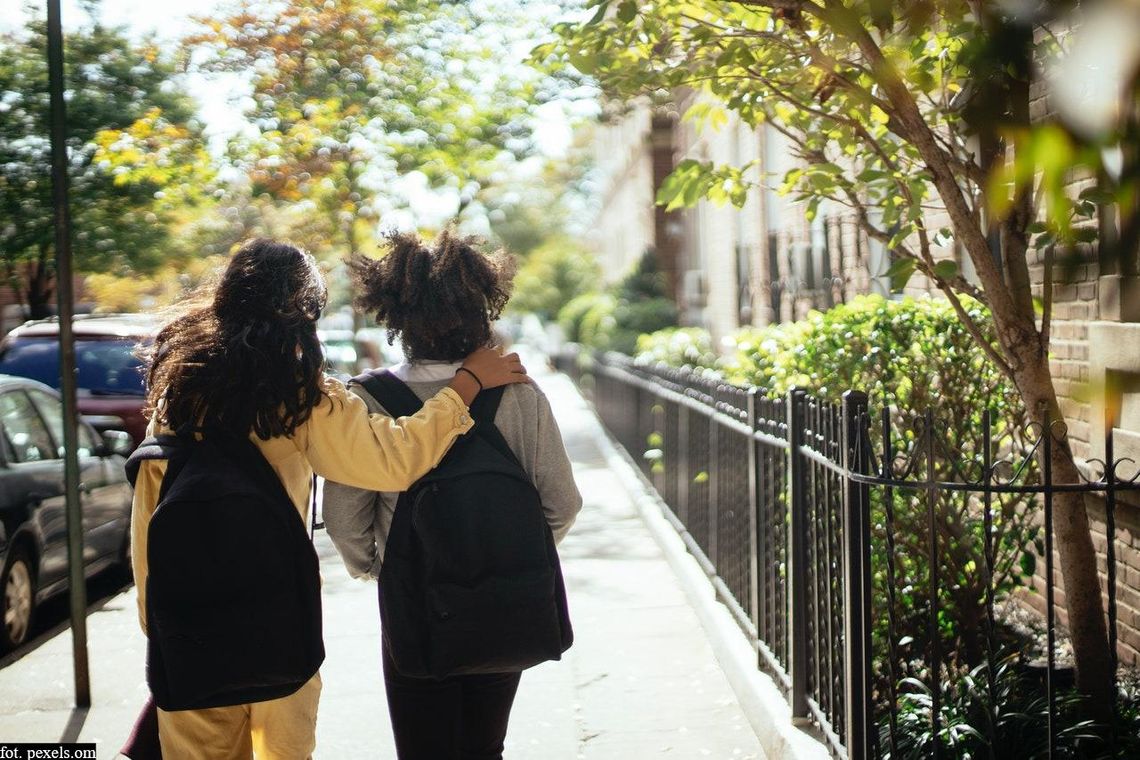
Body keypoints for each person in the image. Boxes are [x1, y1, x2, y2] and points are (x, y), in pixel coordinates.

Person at [130, 238, 530, 760]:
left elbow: (149, 507)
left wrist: (156, 622)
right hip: (274, 614)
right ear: (304, 310)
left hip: (185, 619)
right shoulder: (295, 397)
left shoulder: (177, 386)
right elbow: (394, 458)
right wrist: (467, 385)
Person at [323, 229, 582, 760]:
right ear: (481, 308)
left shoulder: (368, 398)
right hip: (503, 594)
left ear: (396, 316)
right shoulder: (519, 393)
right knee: (485, 747)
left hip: (415, 600)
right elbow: (562, 502)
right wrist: (512, 551)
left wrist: (379, 567)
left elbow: (346, 516)